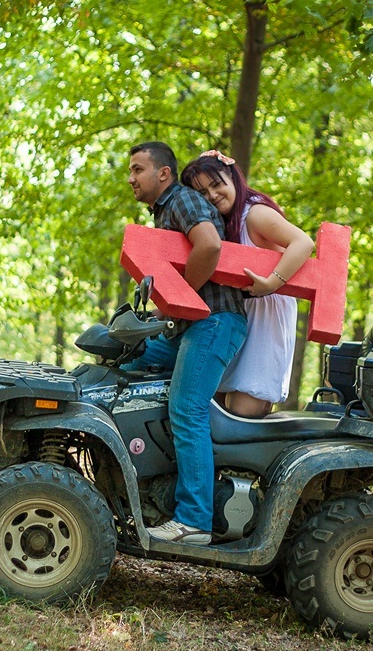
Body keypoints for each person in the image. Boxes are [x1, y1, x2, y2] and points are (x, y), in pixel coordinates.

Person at [125, 142, 247, 545]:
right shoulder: (164, 212)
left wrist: (179, 299)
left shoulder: (181, 199)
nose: (131, 179)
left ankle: (193, 519)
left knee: (187, 407)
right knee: (129, 362)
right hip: (190, 327)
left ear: (163, 173)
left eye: (138, 169)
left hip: (215, 321)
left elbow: (209, 244)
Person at [180, 150, 314, 417]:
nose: (213, 196)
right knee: (216, 408)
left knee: (245, 407)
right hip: (240, 313)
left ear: (232, 176)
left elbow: (303, 242)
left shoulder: (254, 214)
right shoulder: (220, 223)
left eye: (216, 185)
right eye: (203, 193)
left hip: (267, 312)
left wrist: (271, 283)